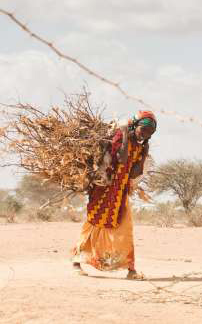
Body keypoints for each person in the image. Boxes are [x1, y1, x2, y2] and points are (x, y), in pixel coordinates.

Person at [72, 111, 156, 279]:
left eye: (149, 133)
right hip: (105, 189)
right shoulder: (119, 136)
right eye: (143, 129)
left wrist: (144, 152)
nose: (145, 134)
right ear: (134, 125)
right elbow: (122, 158)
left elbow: (134, 173)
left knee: (125, 228)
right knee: (94, 223)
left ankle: (130, 269)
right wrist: (125, 134)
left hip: (121, 191)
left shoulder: (141, 146)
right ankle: (77, 261)